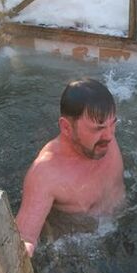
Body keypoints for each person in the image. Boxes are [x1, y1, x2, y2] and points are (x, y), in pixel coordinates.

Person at [16, 78, 125, 256]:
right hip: (80, 253)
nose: (109, 136)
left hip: (126, 223)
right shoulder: (45, 174)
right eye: (98, 128)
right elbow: (24, 239)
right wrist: (25, 249)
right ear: (66, 127)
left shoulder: (103, 141)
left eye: (112, 125)